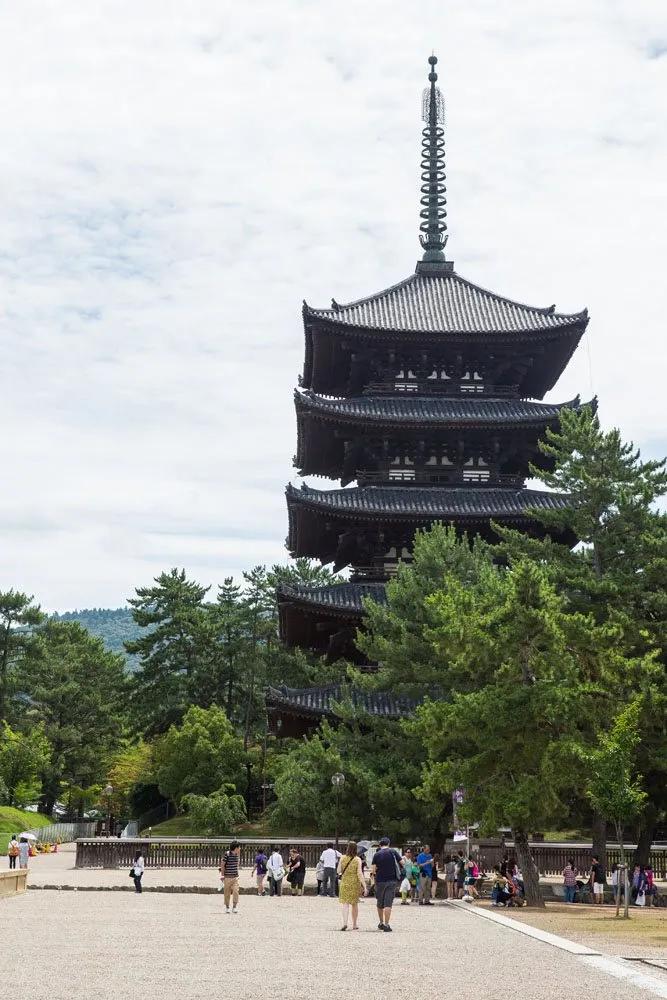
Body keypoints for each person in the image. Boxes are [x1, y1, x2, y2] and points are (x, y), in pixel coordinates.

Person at [371, 836, 401, 932]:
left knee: (380, 903)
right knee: (388, 903)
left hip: (380, 880)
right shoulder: (393, 852)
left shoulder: (377, 854)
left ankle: (381, 922)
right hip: (392, 880)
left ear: (380, 845)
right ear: (389, 844)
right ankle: (387, 924)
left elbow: (374, 870)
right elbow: (403, 863)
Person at [337, 840, 367, 930]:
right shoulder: (358, 859)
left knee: (345, 903)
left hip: (345, 882)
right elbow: (359, 873)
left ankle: (345, 922)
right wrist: (364, 886)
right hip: (354, 883)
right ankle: (354, 924)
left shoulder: (342, 858)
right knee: (354, 904)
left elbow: (338, 871)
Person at [222, 841, 241, 914]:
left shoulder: (237, 854)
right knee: (227, 892)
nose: (240, 848)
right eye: (239, 847)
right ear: (236, 848)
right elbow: (223, 864)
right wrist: (222, 875)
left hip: (235, 877)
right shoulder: (227, 854)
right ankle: (227, 907)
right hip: (227, 876)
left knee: (236, 891)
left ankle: (234, 906)